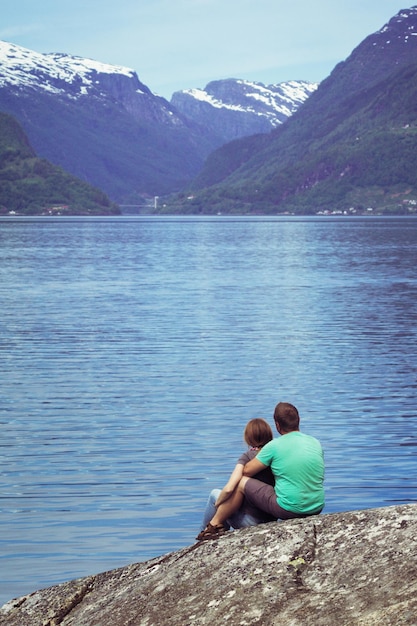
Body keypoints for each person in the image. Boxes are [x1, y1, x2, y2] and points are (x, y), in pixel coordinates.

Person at [197, 402, 325, 540]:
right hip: (316, 507)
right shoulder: (315, 442)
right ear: (298, 420)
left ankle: (213, 526)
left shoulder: (274, 446)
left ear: (277, 425)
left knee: (241, 482)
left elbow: (247, 471)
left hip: (289, 510)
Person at [198, 418, 277, 536]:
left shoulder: (247, 456)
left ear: (248, 438)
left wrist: (218, 505)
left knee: (215, 494)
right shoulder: (275, 456)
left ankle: (205, 533)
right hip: (272, 518)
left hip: (250, 522)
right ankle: (216, 532)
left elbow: (229, 488)